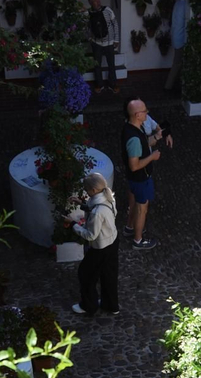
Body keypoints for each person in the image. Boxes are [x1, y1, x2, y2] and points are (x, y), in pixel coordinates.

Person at [121, 98, 171, 250]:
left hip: (134, 179)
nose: (147, 113)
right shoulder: (134, 137)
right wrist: (152, 157)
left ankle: (129, 228)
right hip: (140, 178)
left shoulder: (133, 128)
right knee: (142, 208)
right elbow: (134, 165)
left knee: (135, 204)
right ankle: (138, 240)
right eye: (144, 111)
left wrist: (156, 137)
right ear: (137, 115)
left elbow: (144, 144)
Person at [68, 171, 120, 317]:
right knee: (109, 275)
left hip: (100, 248)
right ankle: (111, 305)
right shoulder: (109, 197)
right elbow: (99, 209)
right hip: (113, 241)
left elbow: (90, 235)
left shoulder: (97, 211)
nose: (86, 192)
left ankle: (88, 305)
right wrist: (82, 204)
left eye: (86, 190)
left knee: (86, 274)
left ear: (93, 190)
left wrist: (72, 224)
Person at [87, 0, 119, 93]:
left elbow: (115, 25)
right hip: (96, 43)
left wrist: (116, 40)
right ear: (91, 3)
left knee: (111, 64)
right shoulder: (88, 14)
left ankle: (112, 84)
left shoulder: (108, 10)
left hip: (109, 42)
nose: (98, 2)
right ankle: (99, 85)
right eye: (95, 1)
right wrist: (90, 39)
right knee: (97, 65)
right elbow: (86, 27)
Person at [164, 0, 190, 92]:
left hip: (176, 36)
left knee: (178, 62)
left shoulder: (178, 3)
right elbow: (185, 23)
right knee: (177, 63)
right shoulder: (185, 5)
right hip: (181, 38)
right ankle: (168, 86)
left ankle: (173, 85)